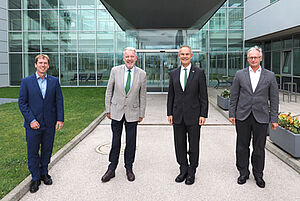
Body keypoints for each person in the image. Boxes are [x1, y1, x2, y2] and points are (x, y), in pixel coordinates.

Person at [229, 46, 279, 188]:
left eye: (256, 57)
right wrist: (232, 114)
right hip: (243, 116)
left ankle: (258, 174)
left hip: (261, 116)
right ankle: (243, 172)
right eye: (251, 57)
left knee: (259, 147)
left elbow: (274, 99)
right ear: (247, 58)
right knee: (242, 146)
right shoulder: (240, 74)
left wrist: (274, 118)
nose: (253, 59)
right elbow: (234, 96)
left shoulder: (270, 76)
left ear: (260, 58)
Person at [18, 54, 64, 193]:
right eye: (40, 63)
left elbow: (59, 101)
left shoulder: (54, 81)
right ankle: (35, 177)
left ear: (48, 65)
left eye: (45, 63)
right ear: (36, 65)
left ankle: (44, 172)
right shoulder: (27, 82)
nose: (43, 65)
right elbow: (22, 103)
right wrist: (31, 120)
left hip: (49, 123)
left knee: (47, 149)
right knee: (33, 151)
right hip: (33, 125)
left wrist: (60, 119)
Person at [101, 47, 146, 182]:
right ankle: (111, 168)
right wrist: (108, 109)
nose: (129, 59)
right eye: (127, 57)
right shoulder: (115, 71)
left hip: (133, 112)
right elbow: (109, 91)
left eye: (132, 57)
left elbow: (142, 95)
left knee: (131, 142)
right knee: (116, 141)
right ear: (123, 58)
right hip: (116, 112)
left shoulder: (141, 74)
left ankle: (129, 168)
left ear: (136, 58)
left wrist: (141, 113)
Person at [167, 45, 208, 185]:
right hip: (177, 115)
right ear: (179, 56)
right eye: (182, 54)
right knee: (179, 144)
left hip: (194, 115)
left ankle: (192, 171)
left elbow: (204, 96)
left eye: (187, 54)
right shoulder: (173, 73)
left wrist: (203, 114)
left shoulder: (199, 72)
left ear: (191, 56)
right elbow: (170, 95)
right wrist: (169, 113)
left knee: (194, 144)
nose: (184, 56)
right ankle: (183, 169)